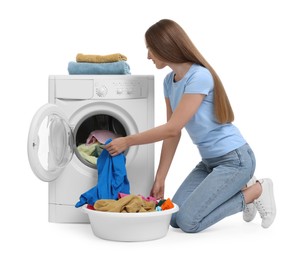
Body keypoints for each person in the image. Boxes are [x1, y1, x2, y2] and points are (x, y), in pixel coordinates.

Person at [105, 19, 276, 232]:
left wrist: (127, 141)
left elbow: (172, 128)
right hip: (209, 163)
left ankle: (256, 191)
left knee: (188, 222)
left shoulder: (199, 76)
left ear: (164, 47)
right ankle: (240, 186)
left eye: (150, 49)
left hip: (235, 160)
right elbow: (172, 134)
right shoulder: (169, 82)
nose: (148, 56)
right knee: (174, 216)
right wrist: (161, 178)